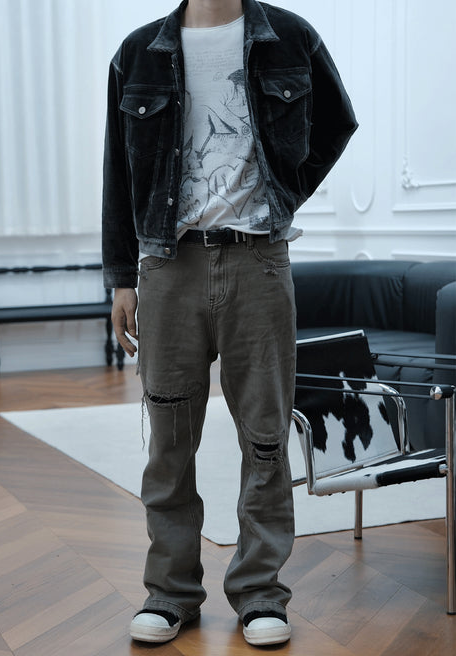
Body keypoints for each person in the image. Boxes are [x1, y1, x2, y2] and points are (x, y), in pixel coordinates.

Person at [102, 0, 357, 646]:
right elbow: (117, 172)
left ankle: (260, 592)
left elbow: (338, 122)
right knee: (168, 442)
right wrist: (121, 277)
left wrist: (284, 189)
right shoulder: (137, 54)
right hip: (168, 267)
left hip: (259, 263)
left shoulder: (291, 38)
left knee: (266, 437)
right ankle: (170, 592)